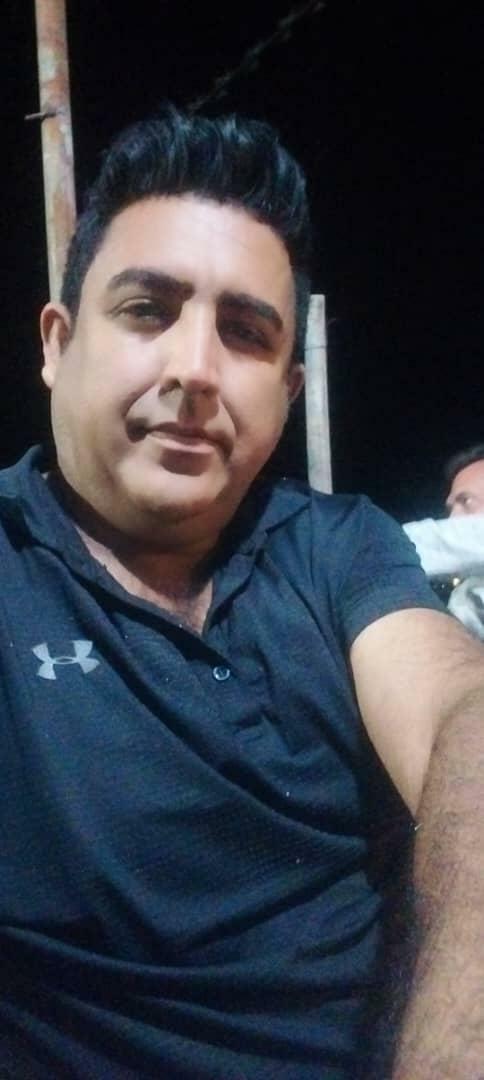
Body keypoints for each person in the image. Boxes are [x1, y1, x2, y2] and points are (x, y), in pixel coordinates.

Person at [1, 104, 484, 1080]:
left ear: (289, 390)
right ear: (57, 343)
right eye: (147, 310)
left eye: (246, 334)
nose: (194, 370)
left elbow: (457, 715)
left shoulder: (336, 547)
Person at [404, 445, 484, 638]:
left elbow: (395, 547)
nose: (452, 519)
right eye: (450, 509)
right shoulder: (468, 596)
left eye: (466, 501)